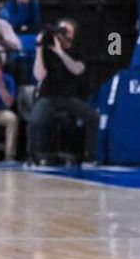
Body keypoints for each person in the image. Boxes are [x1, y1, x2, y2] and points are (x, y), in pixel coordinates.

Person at [27, 18, 98, 164]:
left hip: (69, 97)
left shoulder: (78, 49)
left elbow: (78, 69)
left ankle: (89, 156)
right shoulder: (47, 49)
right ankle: (33, 156)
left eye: (68, 31)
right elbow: (38, 75)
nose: (64, 34)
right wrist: (39, 49)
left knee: (93, 118)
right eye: (61, 30)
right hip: (48, 96)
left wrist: (60, 52)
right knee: (35, 121)